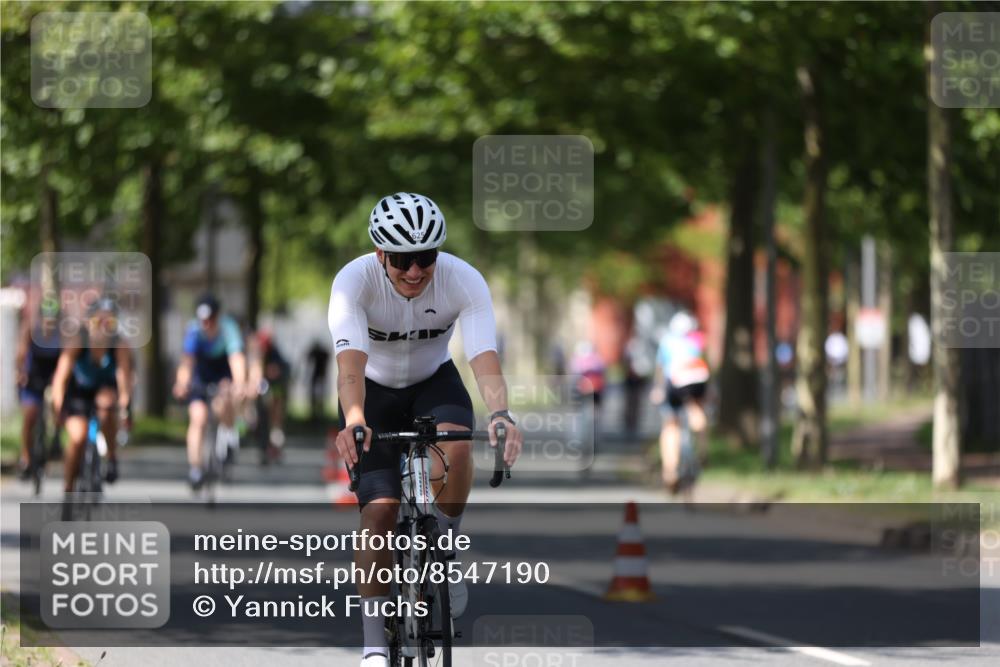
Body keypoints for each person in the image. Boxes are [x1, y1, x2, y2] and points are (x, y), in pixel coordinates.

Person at [328, 192, 523, 667]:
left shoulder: (463, 281)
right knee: (379, 514)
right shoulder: (353, 282)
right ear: (380, 255)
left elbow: (482, 354)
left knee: (458, 452)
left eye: (426, 258)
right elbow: (350, 361)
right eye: (401, 260)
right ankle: (375, 645)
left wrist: (500, 413)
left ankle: (446, 548)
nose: (415, 271)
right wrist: (354, 418)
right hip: (371, 389)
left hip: (435, 382)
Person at [51, 296, 133, 492]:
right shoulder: (78, 341)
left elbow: (124, 379)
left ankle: (111, 456)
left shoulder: (119, 345)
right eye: (98, 321)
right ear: (89, 322)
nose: (103, 327)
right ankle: (68, 487)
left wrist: (125, 406)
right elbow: (60, 379)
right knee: (78, 438)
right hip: (78, 393)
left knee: (106, 407)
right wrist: (58, 408)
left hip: (105, 390)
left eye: (109, 322)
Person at [172, 294, 247, 490]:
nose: (207, 324)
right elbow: (187, 362)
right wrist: (181, 383)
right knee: (198, 418)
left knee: (223, 403)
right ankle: (196, 468)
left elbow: (236, 358)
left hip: (223, 373)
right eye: (203, 320)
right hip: (201, 375)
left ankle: (229, 434)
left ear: (218, 316)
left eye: (211, 319)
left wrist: (239, 383)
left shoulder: (228, 329)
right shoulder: (193, 330)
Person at [650, 310, 710, 493]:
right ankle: (703, 449)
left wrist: (658, 389)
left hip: (675, 381)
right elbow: (707, 363)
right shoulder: (699, 340)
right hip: (698, 379)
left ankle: (670, 470)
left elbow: (661, 369)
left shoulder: (667, 341)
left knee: (670, 424)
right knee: (696, 410)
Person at [15, 299, 63, 479]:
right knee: (30, 416)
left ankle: (56, 437)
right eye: (45, 318)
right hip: (33, 376)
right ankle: (26, 457)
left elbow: (65, 360)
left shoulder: (62, 335)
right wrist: (20, 373)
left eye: (52, 319)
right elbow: (21, 354)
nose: (48, 323)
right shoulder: (31, 331)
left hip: (53, 376)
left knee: (57, 404)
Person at [247, 328, 290, 463]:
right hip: (261, 396)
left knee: (275, 422)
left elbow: (279, 375)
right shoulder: (255, 357)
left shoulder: (275, 356)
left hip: (275, 392)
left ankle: (275, 448)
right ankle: (264, 448)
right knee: (260, 421)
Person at [306, 340, 330, 420]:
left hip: (320, 377)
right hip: (316, 377)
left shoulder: (322, 355)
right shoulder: (319, 354)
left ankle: (319, 414)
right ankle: (314, 414)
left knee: (320, 397)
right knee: (314, 397)